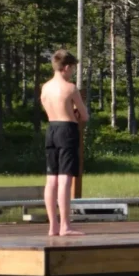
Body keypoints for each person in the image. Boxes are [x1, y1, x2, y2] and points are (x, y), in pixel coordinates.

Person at [40, 50, 88, 237]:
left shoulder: (45, 88)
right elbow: (84, 115)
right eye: (72, 69)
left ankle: (53, 226)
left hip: (51, 129)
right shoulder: (70, 88)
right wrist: (75, 110)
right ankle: (65, 226)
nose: (72, 72)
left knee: (51, 179)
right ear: (66, 67)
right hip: (67, 130)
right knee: (65, 179)